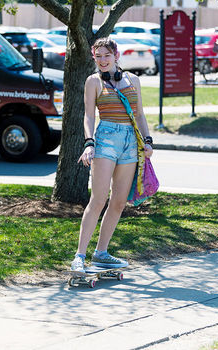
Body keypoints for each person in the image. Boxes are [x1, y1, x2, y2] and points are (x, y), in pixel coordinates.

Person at [71, 37, 153, 273]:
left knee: (118, 201)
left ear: (116, 55)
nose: (103, 60)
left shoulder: (133, 80)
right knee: (98, 199)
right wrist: (89, 144)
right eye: (98, 56)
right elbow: (88, 116)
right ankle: (79, 256)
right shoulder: (93, 82)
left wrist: (147, 142)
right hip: (106, 138)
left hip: (130, 142)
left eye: (107, 55)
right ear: (94, 58)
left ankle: (101, 253)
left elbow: (139, 115)